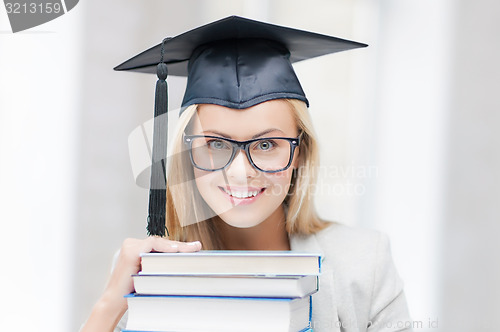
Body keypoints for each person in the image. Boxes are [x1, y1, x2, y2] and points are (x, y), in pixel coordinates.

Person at [81, 16, 413, 332]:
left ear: (301, 153)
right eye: (216, 144)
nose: (241, 172)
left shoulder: (363, 264)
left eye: (267, 144)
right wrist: (110, 304)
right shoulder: (148, 268)